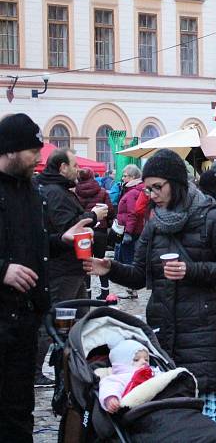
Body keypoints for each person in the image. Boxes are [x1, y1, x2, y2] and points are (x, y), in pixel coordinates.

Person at [82, 148, 216, 425]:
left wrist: (189, 270)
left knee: (208, 422)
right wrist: (110, 268)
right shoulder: (155, 223)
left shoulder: (212, 217)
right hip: (165, 333)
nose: (152, 194)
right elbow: (139, 274)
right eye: (147, 189)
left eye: (157, 187)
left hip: (206, 334)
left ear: (176, 183)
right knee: (174, 421)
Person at [0, 114, 92, 442]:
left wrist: (61, 240)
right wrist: (3, 270)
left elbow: (34, 247)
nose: (40, 157)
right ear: (10, 150)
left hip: (25, 320)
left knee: (19, 408)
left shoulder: (31, 189)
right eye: (33, 151)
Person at [35, 148, 108, 308]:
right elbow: (69, 228)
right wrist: (93, 215)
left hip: (71, 268)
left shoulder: (57, 189)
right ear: (63, 167)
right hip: (63, 270)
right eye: (75, 165)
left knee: (79, 321)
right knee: (62, 320)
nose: (78, 169)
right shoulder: (55, 192)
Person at [75, 167, 115, 299]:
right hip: (100, 232)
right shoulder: (102, 192)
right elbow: (110, 211)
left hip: (82, 232)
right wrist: (107, 223)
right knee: (101, 262)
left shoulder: (75, 192)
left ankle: (87, 294)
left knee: (86, 265)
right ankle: (105, 292)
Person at [99, 339, 155, 413]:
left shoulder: (153, 372)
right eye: (136, 360)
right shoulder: (121, 377)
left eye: (146, 359)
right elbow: (110, 386)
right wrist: (111, 398)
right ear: (122, 364)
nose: (144, 362)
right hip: (137, 410)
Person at [115, 164, 145, 300]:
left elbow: (133, 213)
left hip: (131, 232)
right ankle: (131, 289)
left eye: (125, 175)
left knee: (129, 260)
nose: (123, 177)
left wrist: (128, 232)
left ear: (133, 177)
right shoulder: (133, 189)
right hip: (134, 230)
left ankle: (132, 290)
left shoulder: (133, 192)